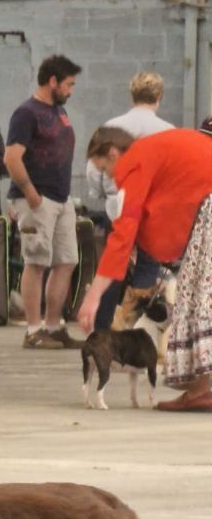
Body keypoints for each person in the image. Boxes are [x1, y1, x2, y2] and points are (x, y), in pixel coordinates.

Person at [78, 124, 212, 411]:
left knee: (197, 295)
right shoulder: (152, 149)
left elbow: (124, 232)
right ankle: (200, 388)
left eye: (103, 169)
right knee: (199, 293)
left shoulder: (134, 163)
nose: (108, 177)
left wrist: (94, 296)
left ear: (113, 153)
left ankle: (201, 390)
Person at [5, 54, 83, 350]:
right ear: (52, 81)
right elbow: (11, 157)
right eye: (68, 85)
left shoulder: (59, 112)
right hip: (38, 200)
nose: (70, 91)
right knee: (36, 261)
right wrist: (31, 195)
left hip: (61, 199)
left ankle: (53, 326)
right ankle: (33, 330)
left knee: (66, 261)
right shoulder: (27, 113)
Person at [86, 72, 174, 331]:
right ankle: (136, 330)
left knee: (114, 265)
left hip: (119, 206)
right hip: (154, 209)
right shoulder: (168, 131)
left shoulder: (113, 126)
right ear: (159, 97)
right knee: (148, 268)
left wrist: (103, 193)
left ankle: (102, 330)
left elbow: (94, 170)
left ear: (131, 94)